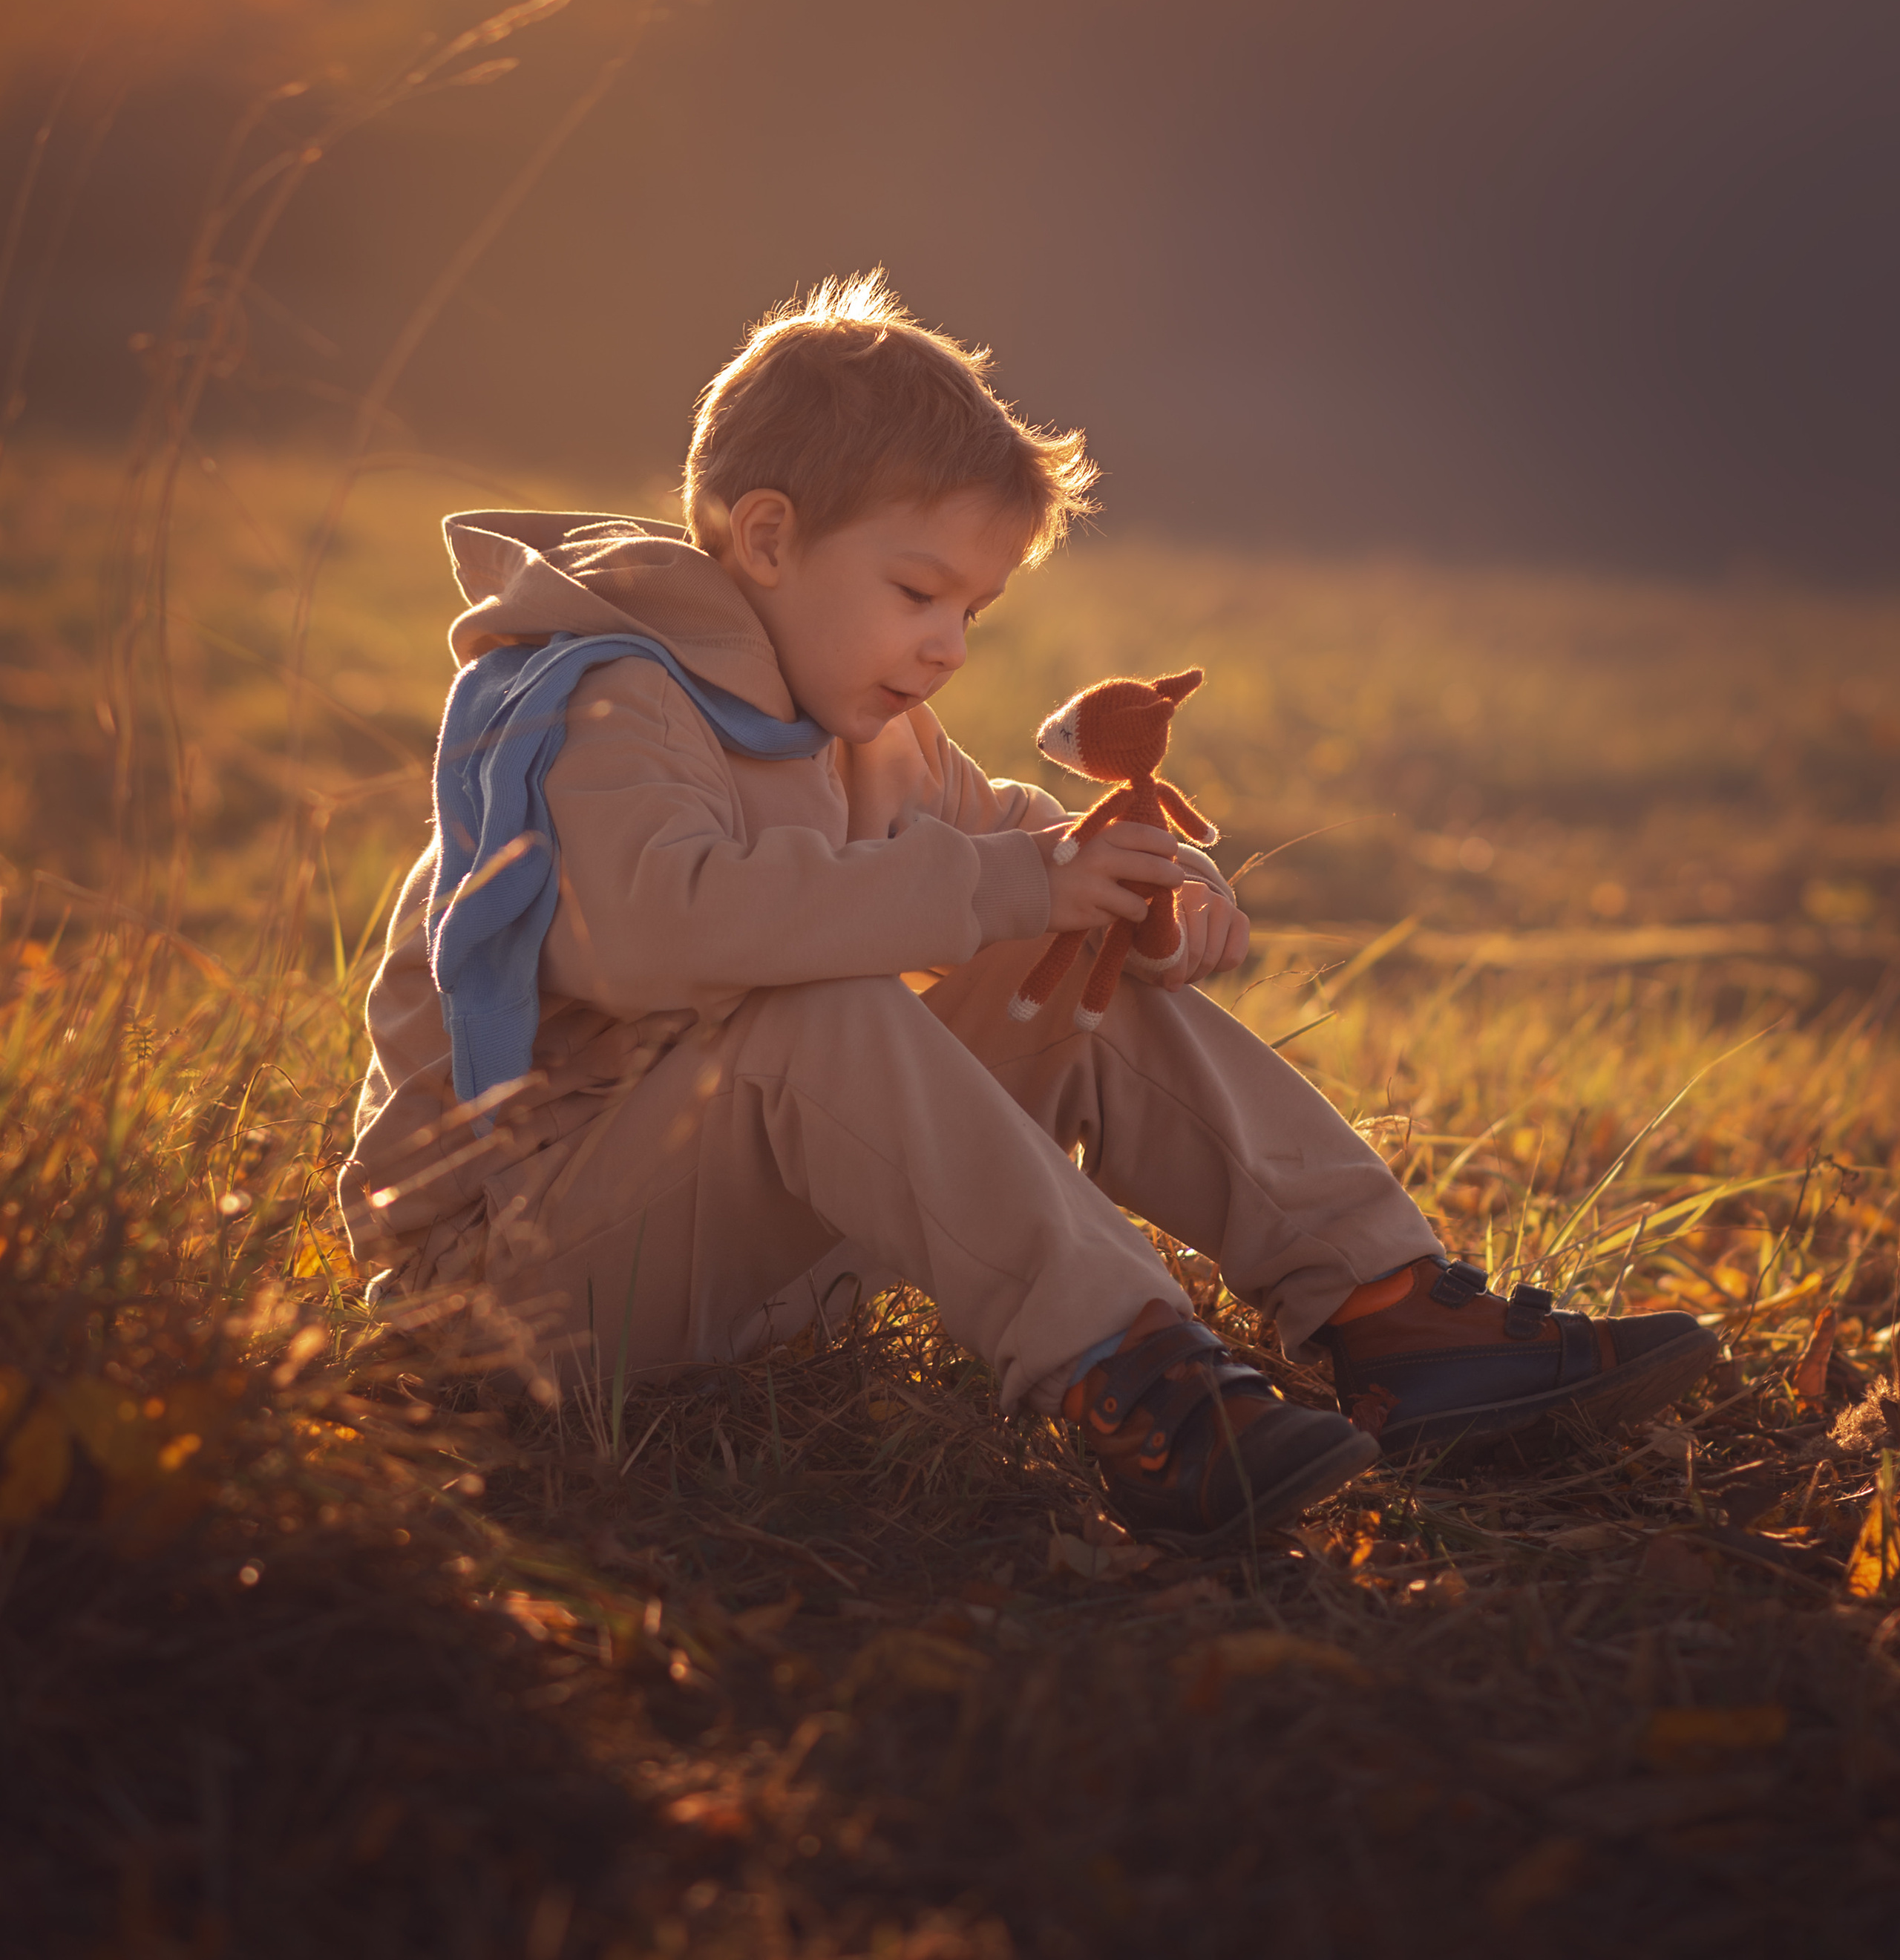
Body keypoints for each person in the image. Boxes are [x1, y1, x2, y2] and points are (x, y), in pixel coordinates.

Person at [339, 277, 1714, 1550]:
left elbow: (1018, 846)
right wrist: (1016, 881)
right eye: (916, 592)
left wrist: (1139, 883)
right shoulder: (605, 701)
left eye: (974, 609)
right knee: (822, 1010)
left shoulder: (868, 728)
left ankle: (1387, 1307)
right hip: (519, 1282)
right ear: (766, 538)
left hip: (730, 1263)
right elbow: (658, 926)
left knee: (1052, 948)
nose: (947, 645)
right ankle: (1137, 1378)